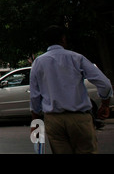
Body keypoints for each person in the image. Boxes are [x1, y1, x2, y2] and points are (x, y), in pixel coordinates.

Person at [30, 25, 113, 154]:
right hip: (79, 118)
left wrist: (35, 122)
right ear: (63, 39)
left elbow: (35, 96)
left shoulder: (38, 63)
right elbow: (104, 84)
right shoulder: (76, 58)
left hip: (53, 121)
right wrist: (105, 104)